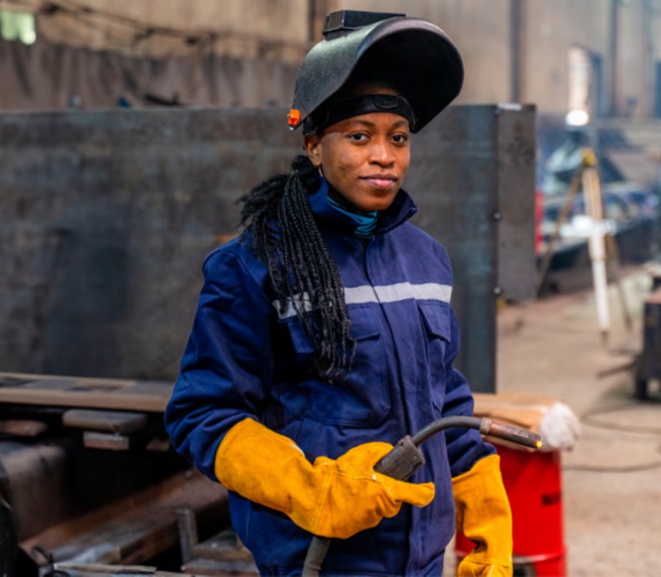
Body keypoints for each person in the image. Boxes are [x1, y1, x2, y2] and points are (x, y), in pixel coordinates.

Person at [165, 11, 512, 576]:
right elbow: (202, 413)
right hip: (321, 558)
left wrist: (483, 507)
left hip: (422, 556)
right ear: (314, 146)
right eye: (359, 136)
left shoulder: (427, 259)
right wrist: (311, 489)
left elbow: (442, 399)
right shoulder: (255, 263)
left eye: (398, 138)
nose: (384, 155)